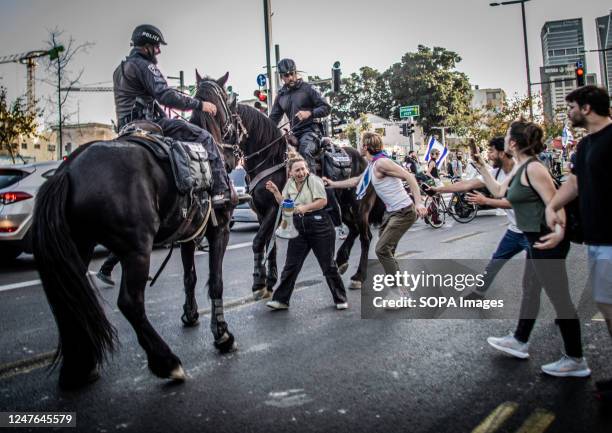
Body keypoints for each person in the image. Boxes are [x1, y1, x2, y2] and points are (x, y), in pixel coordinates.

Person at [474, 119, 590, 378]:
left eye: (506, 136)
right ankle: (520, 340)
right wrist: (481, 166)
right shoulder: (519, 167)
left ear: (513, 143)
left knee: (560, 299)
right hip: (534, 239)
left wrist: (559, 231)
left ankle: (575, 358)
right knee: (530, 289)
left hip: (547, 239)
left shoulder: (534, 168)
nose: (503, 139)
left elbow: (555, 202)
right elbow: (499, 190)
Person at [113, 24, 242, 209]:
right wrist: (200, 104)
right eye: (156, 46)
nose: (158, 51)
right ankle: (220, 192)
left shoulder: (119, 70)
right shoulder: (145, 66)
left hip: (125, 128)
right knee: (204, 137)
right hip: (148, 124)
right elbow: (165, 95)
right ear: (146, 46)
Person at [545, 86, 612, 394]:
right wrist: (554, 205)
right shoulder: (585, 146)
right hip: (597, 238)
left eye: (570, 107)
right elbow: (574, 182)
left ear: (586, 108)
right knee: (606, 304)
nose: (568, 113)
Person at [431, 137, 528, 300]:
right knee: (496, 261)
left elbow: (517, 203)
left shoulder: (521, 172)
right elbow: (467, 184)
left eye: (491, 151)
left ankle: (566, 315)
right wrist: (438, 189)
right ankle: (479, 292)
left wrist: (486, 201)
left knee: (542, 275)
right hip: (515, 230)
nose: (488, 155)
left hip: (534, 230)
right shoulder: (495, 173)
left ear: (503, 153)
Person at [324, 132, 427, 279]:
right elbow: (355, 181)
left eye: (361, 144)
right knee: (387, 251)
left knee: (382, 250)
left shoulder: (381, 163)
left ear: (365, 147)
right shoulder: (372, 164)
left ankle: (398, 289)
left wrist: (419, 203)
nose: (359, 146)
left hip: (403, 212)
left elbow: (409, 176)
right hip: (391, 214)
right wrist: (333, 183)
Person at [264, 155, 348, 310]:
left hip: (320, 225)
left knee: (328, 265)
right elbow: (285, 203)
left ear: (307, 169)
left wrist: (304, 208)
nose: (301, 172)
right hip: (298, 227)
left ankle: (340, 298)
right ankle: (281, 300)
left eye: (303, 169)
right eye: (297, 170)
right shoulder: (289, 183)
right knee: (291, 265)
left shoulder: (314, 181)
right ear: (290, 173)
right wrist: (276, 192)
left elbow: (322, 201)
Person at [268, 58, 331, 170]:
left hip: (312, 132)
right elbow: (272, 120)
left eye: (292, 73)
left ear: (296, 72)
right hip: (294, 134)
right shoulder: (281, 96)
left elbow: (326, 108)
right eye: (286, 75)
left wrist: (310, 113)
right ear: (281, 77)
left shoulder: (308, 88)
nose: (290, 77)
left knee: (304, 151)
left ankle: (311, 186)